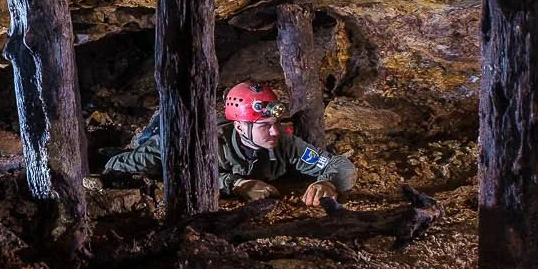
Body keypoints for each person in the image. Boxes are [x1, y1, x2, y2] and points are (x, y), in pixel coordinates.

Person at [102, 82, 355, 206]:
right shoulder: (204, 144)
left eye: (275, 121)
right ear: (239, 126)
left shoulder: (284, 143)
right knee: (125, 159)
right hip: (166, 140)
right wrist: (234, 183)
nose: (275, 130)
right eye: (264, 125)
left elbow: (342, 166)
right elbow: (118, 167)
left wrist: (327, 181)